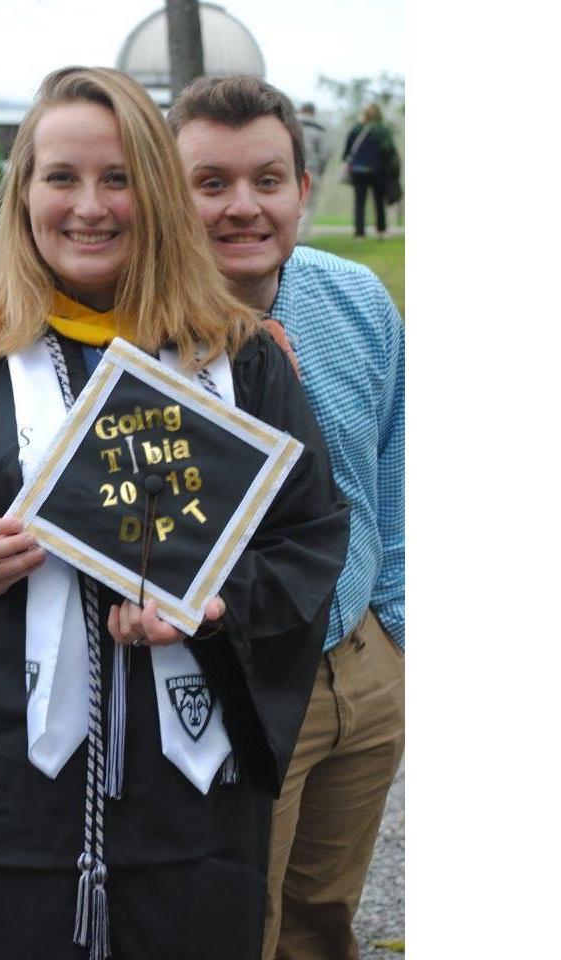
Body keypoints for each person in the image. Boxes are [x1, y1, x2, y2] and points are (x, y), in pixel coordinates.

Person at [0, 66, 349, 960]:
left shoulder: (240, 361)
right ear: (24, 193)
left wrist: (222, 601)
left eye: (118, 178)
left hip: (184, 800)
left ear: (156, 194)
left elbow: (310, 536)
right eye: (63, 177)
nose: (90, 206)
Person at [169, 76, 405, 960]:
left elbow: (397, 469)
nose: (243, 207)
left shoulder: (357, 302)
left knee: (322, 922)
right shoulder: (129, 332)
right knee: (233, 928)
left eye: (267, 180)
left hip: (363, 665)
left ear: (303, 190)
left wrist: (398, 638)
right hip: (229, 687)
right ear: (169, 190)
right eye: (210, 182)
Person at [342, 103, 398, 239]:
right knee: (379, 201)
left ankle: (359, 233)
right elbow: (389, 151)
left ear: (365, 115)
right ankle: (381, 231)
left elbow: (347, 150)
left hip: (358, 170)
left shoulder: (356, 129)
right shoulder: (383, 131)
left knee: (359, 202)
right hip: (378, 171)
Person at [294, 103, 330, 241]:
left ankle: (291, 236)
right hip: (312, 170)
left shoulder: (288, 126)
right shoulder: (319, 130)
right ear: (313, 113)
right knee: (308, 204)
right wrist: (321, 168)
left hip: (290, 170)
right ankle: (300, 237)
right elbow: (325, 153)